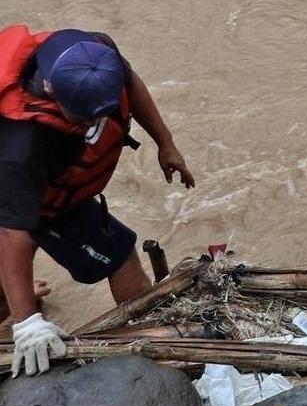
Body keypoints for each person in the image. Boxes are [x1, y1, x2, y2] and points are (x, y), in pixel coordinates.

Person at [0, 26, 195, 376]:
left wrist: (166, 143)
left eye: (101, 114)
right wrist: (27, 322)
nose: (95, 124)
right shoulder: (24, 147)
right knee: (118, 253)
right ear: (49, 89)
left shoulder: (96, 52)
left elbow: (131, 82)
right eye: (85, 118)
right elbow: (12, 233)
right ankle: (147, 330)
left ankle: (12, 299)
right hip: (20, 182)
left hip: (24, 177)